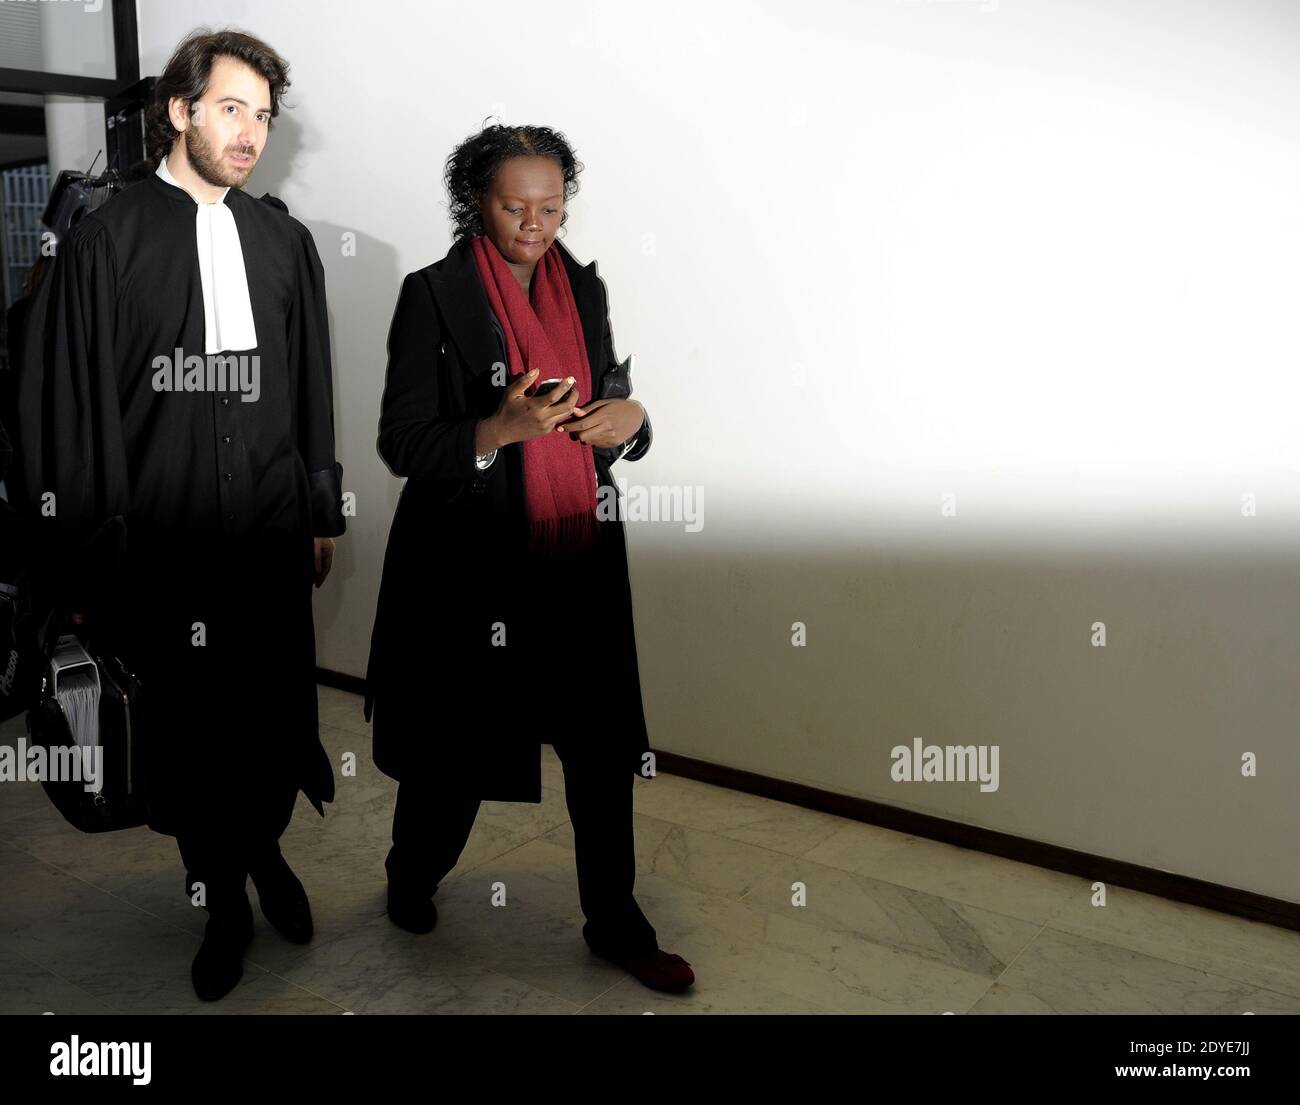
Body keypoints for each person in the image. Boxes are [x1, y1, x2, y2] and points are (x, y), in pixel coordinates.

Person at [10, 29, 346, 1001]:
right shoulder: (107, 238)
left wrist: (320, 506)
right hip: (162, 541)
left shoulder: (282, 241)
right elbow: (66, 403)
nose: (250, 134)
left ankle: (268, 856)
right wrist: (85, 545)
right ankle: (223, 902)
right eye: (232, 109)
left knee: (273, 712)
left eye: (264, 118)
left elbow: (309, 386)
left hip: (271, 534)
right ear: (181, 110)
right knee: (193, 732)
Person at [363, 124, 693, 992]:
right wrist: (497, 430)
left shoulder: (583, 288)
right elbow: (402, 440)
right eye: (516, 206)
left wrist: (634, 420)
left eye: (552, 206)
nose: (536, 222)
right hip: (472, 568)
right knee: (456, 755)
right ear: (477, 199)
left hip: (577, 554)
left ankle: (615, 923)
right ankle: (410, 873)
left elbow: (608, 401)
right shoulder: (431, 294)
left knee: (599, 749)